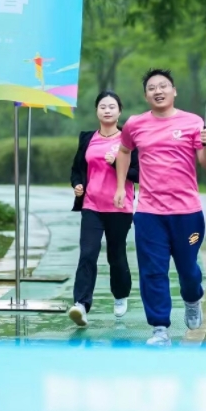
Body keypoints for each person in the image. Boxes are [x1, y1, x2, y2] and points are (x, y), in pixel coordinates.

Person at [114, 69, 206, 346]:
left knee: (188, 269)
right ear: (145, 95)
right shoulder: (135, 124)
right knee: (152, 271)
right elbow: (124, 151)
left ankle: (193, 298)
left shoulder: (193, 122)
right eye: (152, 88)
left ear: (174, 91)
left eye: (163, 86)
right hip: (150, 213)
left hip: (187, 213)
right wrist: (121, 186)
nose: (158, 91)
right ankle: (159, 328)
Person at [66, 91, 140, 327]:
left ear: (120, 111)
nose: (107, 110)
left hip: (119, 207)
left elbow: (139, 174)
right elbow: (77, 169)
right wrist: (77, 184)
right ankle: (81, 304)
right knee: (88, 253)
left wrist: (117, 162)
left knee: (115, 256)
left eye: (112, 107)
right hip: (92, 205)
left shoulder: (128, 141)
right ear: (96, 111)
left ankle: (120, 295)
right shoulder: (88, 138)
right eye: (102, 106)